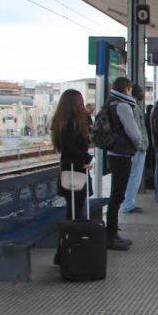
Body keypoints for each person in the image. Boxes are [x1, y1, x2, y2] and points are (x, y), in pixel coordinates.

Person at [51, 89, 94, 264]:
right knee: (74, 215)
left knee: (73, 212)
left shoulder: (61, 122)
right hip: (75, 171)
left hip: (69, 170)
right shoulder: (72, 123)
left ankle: (64, 253)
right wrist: (88, 158)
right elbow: (73, 148)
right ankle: (66, 254)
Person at [106, 77, 142, 251]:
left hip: (114, 152)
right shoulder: (123, 106)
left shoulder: (111, 104)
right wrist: (139, 145)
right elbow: (133, 132)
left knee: (116, 194)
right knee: (117, 195)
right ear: (126, 89)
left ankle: (113, 233)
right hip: (122, 154)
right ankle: (111, 235)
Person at [121, 84, 149, 214]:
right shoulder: (132, 107)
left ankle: (128, 203)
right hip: (137, 148)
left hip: (135, 148)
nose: (143, 94)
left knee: (132, 176)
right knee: (134, 176)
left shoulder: (131, 106)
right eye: (142, 92)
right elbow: (136, 129)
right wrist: (140, 144)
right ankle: (128, 204)